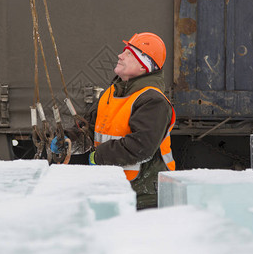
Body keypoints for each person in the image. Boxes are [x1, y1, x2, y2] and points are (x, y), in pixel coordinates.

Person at [51, 32, 176, 210]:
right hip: (114, 189)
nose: (120, 55)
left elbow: (141, 147)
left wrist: (99, 156)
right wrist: (69, 140)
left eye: (129, 53)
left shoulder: (153, 101)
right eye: (124, 50)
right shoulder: (110, 94)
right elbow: (90, 130)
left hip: (144, 197)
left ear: (144, 66)